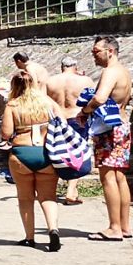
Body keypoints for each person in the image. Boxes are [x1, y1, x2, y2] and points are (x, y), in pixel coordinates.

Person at [0, 72, 62, 252]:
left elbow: (6, 133)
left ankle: (29, 237)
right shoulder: (47, 102)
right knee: (48, 196)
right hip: (46, 154)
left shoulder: (12, 105)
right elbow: (63, 122)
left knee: (25, 198)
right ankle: (53, 229)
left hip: (21, 154)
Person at [82, 36, 133, 241]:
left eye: (96, 51)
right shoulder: (123, 71)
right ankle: (124, 226)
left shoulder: (110, 72)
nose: (93, 55)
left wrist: (85, 112)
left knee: (107, 177)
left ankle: (114, 227)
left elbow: (100, 97)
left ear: (110, 51)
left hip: (109, 130)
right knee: (120, 176)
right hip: (122, 126)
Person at [46, 57, 95, 205]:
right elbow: (93, 100)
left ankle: (51, 191)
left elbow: (44, 101)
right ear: (75, 66)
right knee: (76, 155)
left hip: (57, 119)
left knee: (54, 153)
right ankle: (70, 192)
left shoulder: (51, 81)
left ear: (62, 67)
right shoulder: (85, 81)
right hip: (77, 118)